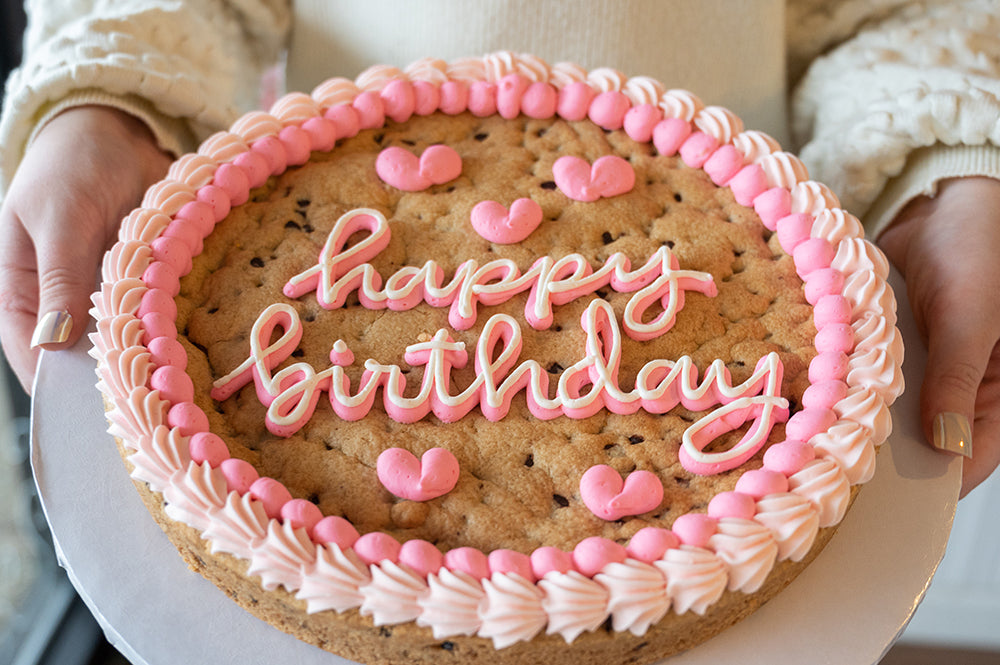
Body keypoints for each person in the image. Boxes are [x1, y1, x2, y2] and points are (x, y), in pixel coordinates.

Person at [0, 0, 997, 498]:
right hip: (344, 260)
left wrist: (952, 161)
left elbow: (893, 13)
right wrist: (111, 98)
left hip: (748, 315)